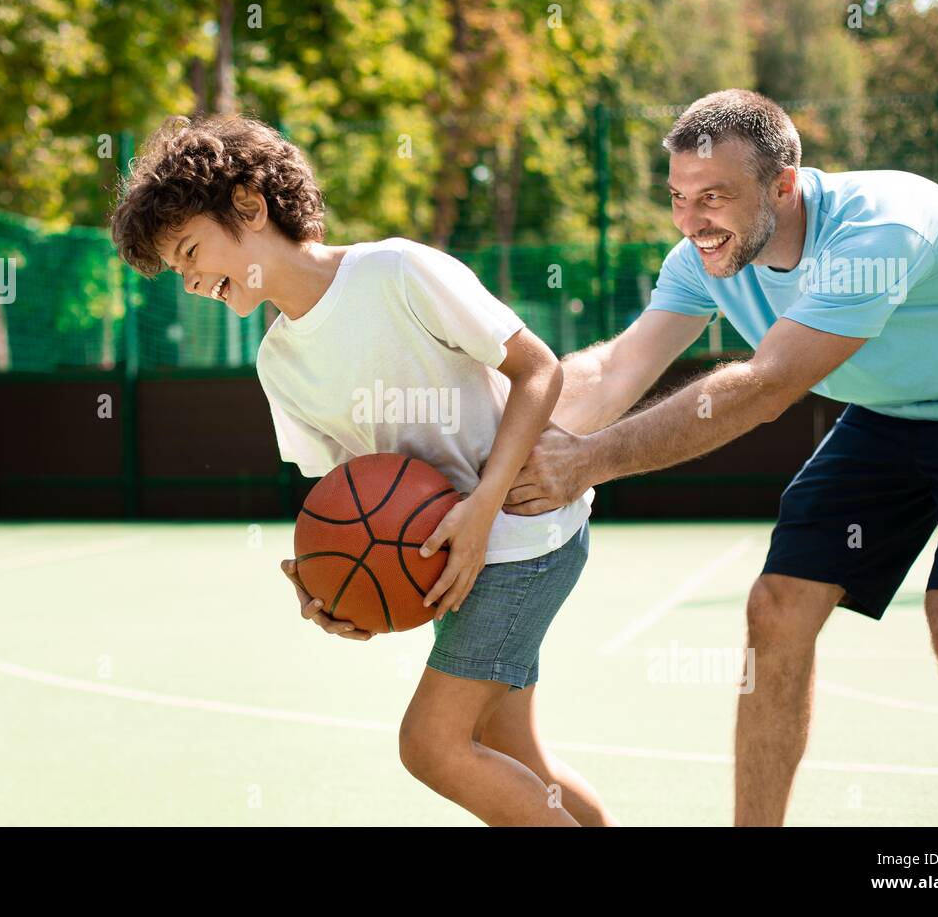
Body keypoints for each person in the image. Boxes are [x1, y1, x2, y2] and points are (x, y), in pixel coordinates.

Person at [504, 89, 938, 826]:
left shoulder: (879, 228)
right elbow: (613, 372)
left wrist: (585, 461)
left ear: (783, 185)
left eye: (714, 197)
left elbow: (765, 387)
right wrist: (491, 443)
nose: (692, 221)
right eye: (677, 197)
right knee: (777, 605)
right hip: (891, 411)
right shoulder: (700, 259)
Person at [110, 114, 615, 827]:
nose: (189, 281)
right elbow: (356, 497)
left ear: (251, 205)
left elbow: (539, 371)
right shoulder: (278, 365)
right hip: (452, 558)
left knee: (432, 745)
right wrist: (331, 581)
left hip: (521, 535)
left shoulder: (398, 272)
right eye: (177, 273)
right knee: (515, 750)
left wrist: (480, 513)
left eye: (191, 252)